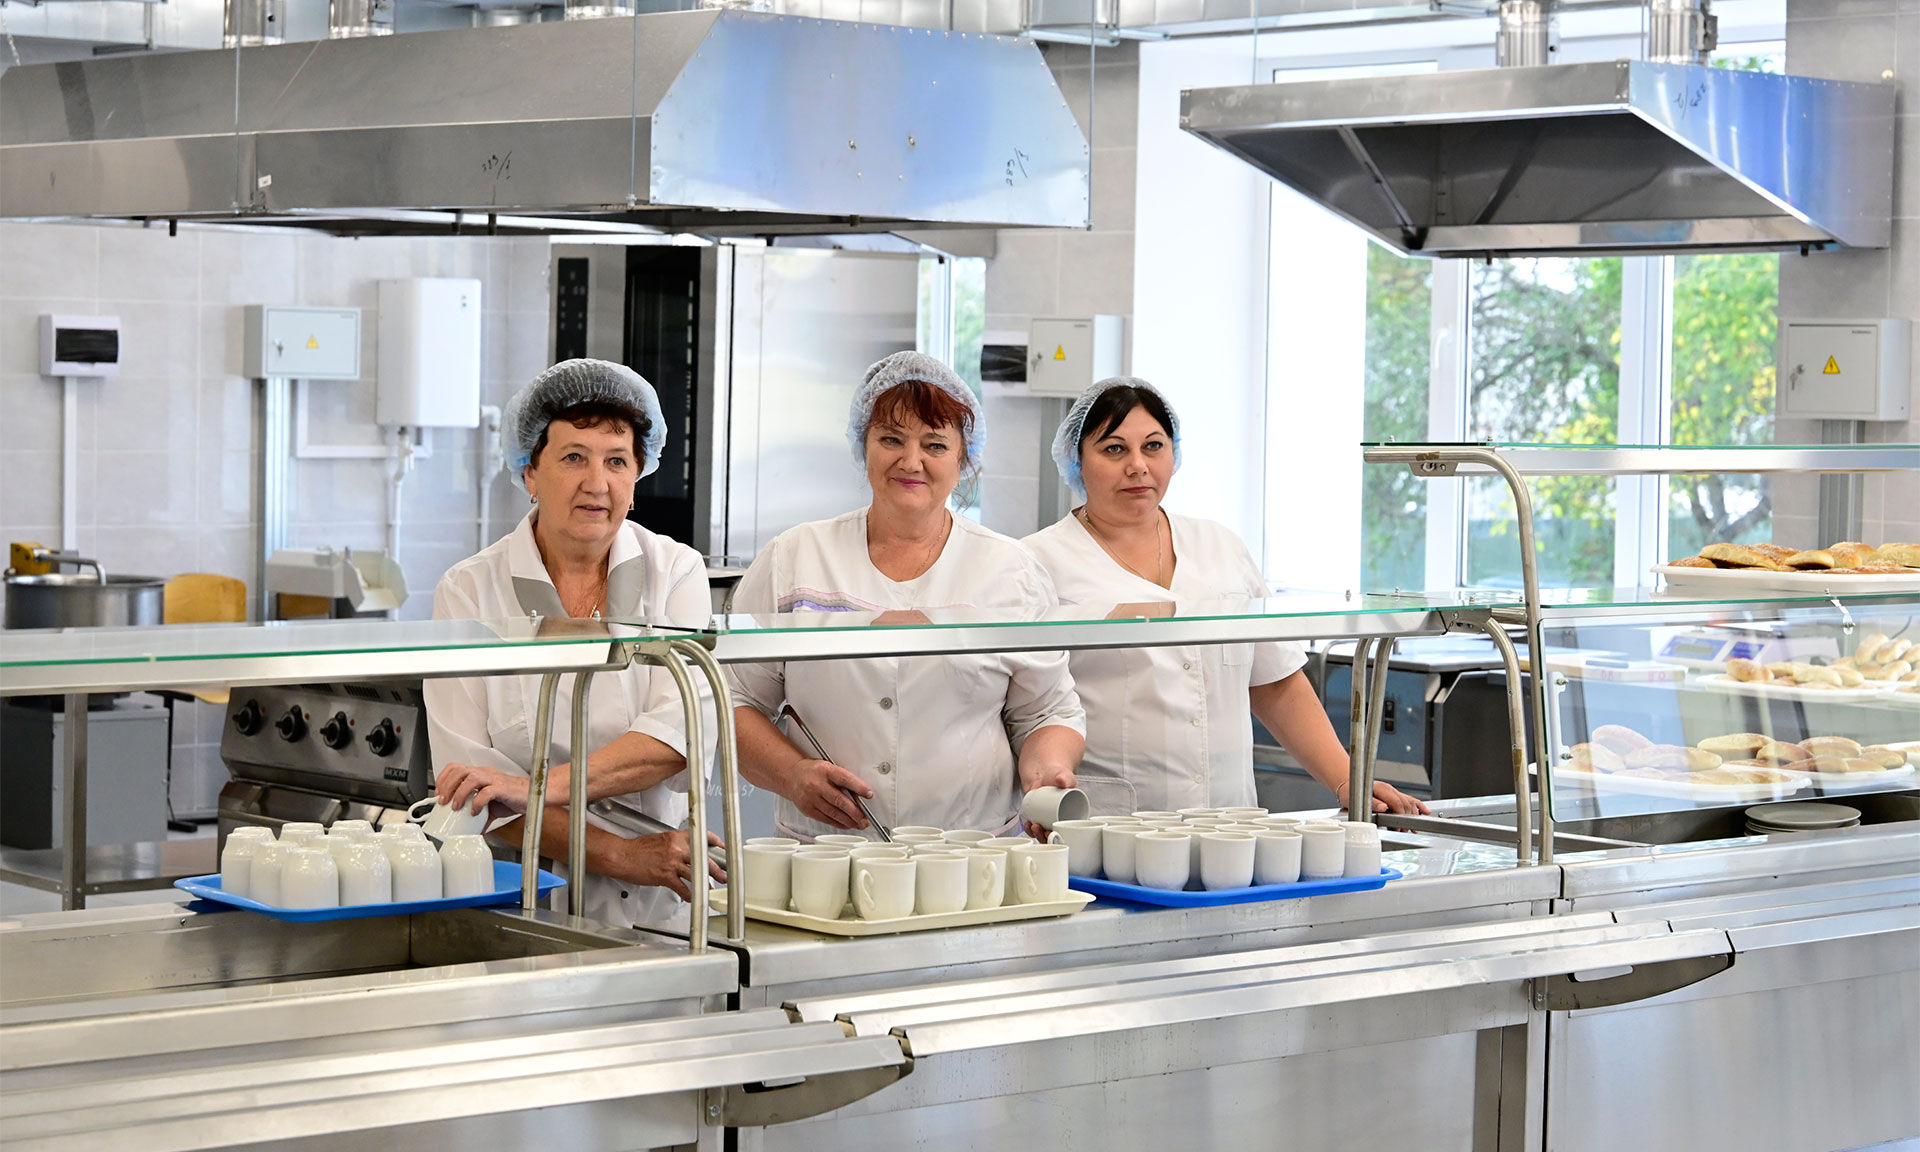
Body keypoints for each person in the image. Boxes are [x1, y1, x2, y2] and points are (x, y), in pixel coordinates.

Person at [1022, 376, 1429, 817]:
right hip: (1109, 821)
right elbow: (1031, 708)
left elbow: (1275, 683)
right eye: (1114, 449)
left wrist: (1347, 779)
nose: (1137, 466)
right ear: (1077, 460)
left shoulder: (1219, 546)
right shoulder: (1039, 561)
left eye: (1153, 446)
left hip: (1229, 821)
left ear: (1174, 452)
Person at [729, 351, 1086, 840]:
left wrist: (1045, 771)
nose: (911, 461)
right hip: (824, 853)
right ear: (863, 444)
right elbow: (732, 698)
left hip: (969, 850)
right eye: (891, 439)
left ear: (963, 458)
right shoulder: (795, 557)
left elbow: (1047, 711)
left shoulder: (1010, 570)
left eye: (934, 444)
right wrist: (791, 775)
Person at [426, 359, 723, 927]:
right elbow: (472, 788)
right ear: (530, 473)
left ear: (638, 475)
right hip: (517, 902)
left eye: (617, 461)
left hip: (660, 904)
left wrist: (529, 787)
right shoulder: (468, 590)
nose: (597, 483)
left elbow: (676, 738)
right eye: (573, 458)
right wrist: (622, 855)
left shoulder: (677, 572)